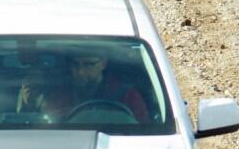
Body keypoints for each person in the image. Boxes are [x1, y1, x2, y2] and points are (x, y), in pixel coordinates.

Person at [17, 52, 149, 122]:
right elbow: (48, 125)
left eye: (88, 65)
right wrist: (30, 102)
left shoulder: (127, 95)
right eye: (76, 64)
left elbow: (144, 130)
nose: (80, 71)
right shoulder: (59, 94)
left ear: (103, 63)